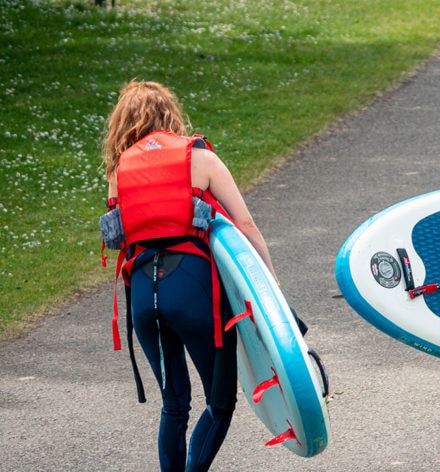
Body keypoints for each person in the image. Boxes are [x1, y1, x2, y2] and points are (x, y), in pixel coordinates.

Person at [101, 80, 276, 471]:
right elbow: (244, 224)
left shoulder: (118, 173)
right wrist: (271, 285)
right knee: (220, 402)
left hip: (145, 297)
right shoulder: (201, 159)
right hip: (194, 293)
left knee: (175, 404)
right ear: (169, 115)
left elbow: (119, 238)